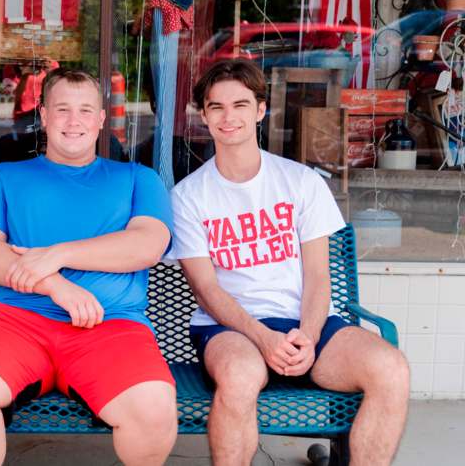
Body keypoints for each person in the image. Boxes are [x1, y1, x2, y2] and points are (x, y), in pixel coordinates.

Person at [169, 59, 410, 466]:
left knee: (391, 369)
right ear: (204, 115)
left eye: (241, 105)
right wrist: (264, 338)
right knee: (240, 377)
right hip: (232, 329)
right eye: (217, 107)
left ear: (261, 110)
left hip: (306, 325)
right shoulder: (189, 196)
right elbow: (207, 290)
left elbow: (318, 276)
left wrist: (309, 338)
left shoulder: (300, 182)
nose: (229, 118)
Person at [0, 68, 178, 466]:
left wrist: (58, 254)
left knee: (153, 408)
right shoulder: (1, 177)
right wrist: (54, 284)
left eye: (85, 110)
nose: (73, 121)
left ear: (102, 119)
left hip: (109, 326)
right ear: (44, 116)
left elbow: (147, 245)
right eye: (62, 109)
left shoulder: (137, 178)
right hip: (12, 322)